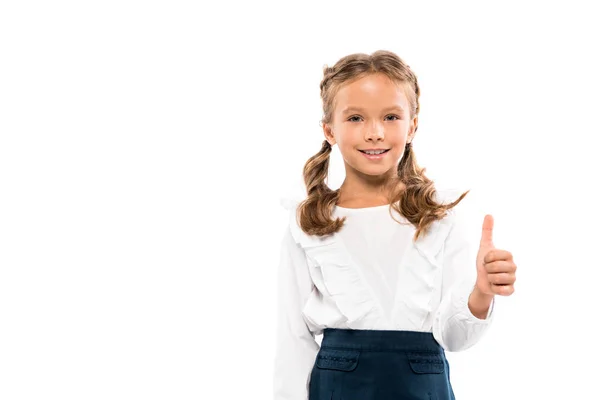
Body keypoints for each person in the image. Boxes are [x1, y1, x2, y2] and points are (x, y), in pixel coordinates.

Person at [273, 50, 518, 400]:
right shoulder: (310, 223)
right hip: (338, 388)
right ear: (329, 129)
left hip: (422, 386)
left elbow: (455, 338)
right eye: (356, 118)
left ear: (412, 125)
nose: (374, 133)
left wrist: (481, 291)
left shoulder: (440, 216)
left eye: (390, 117)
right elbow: (292, 340)